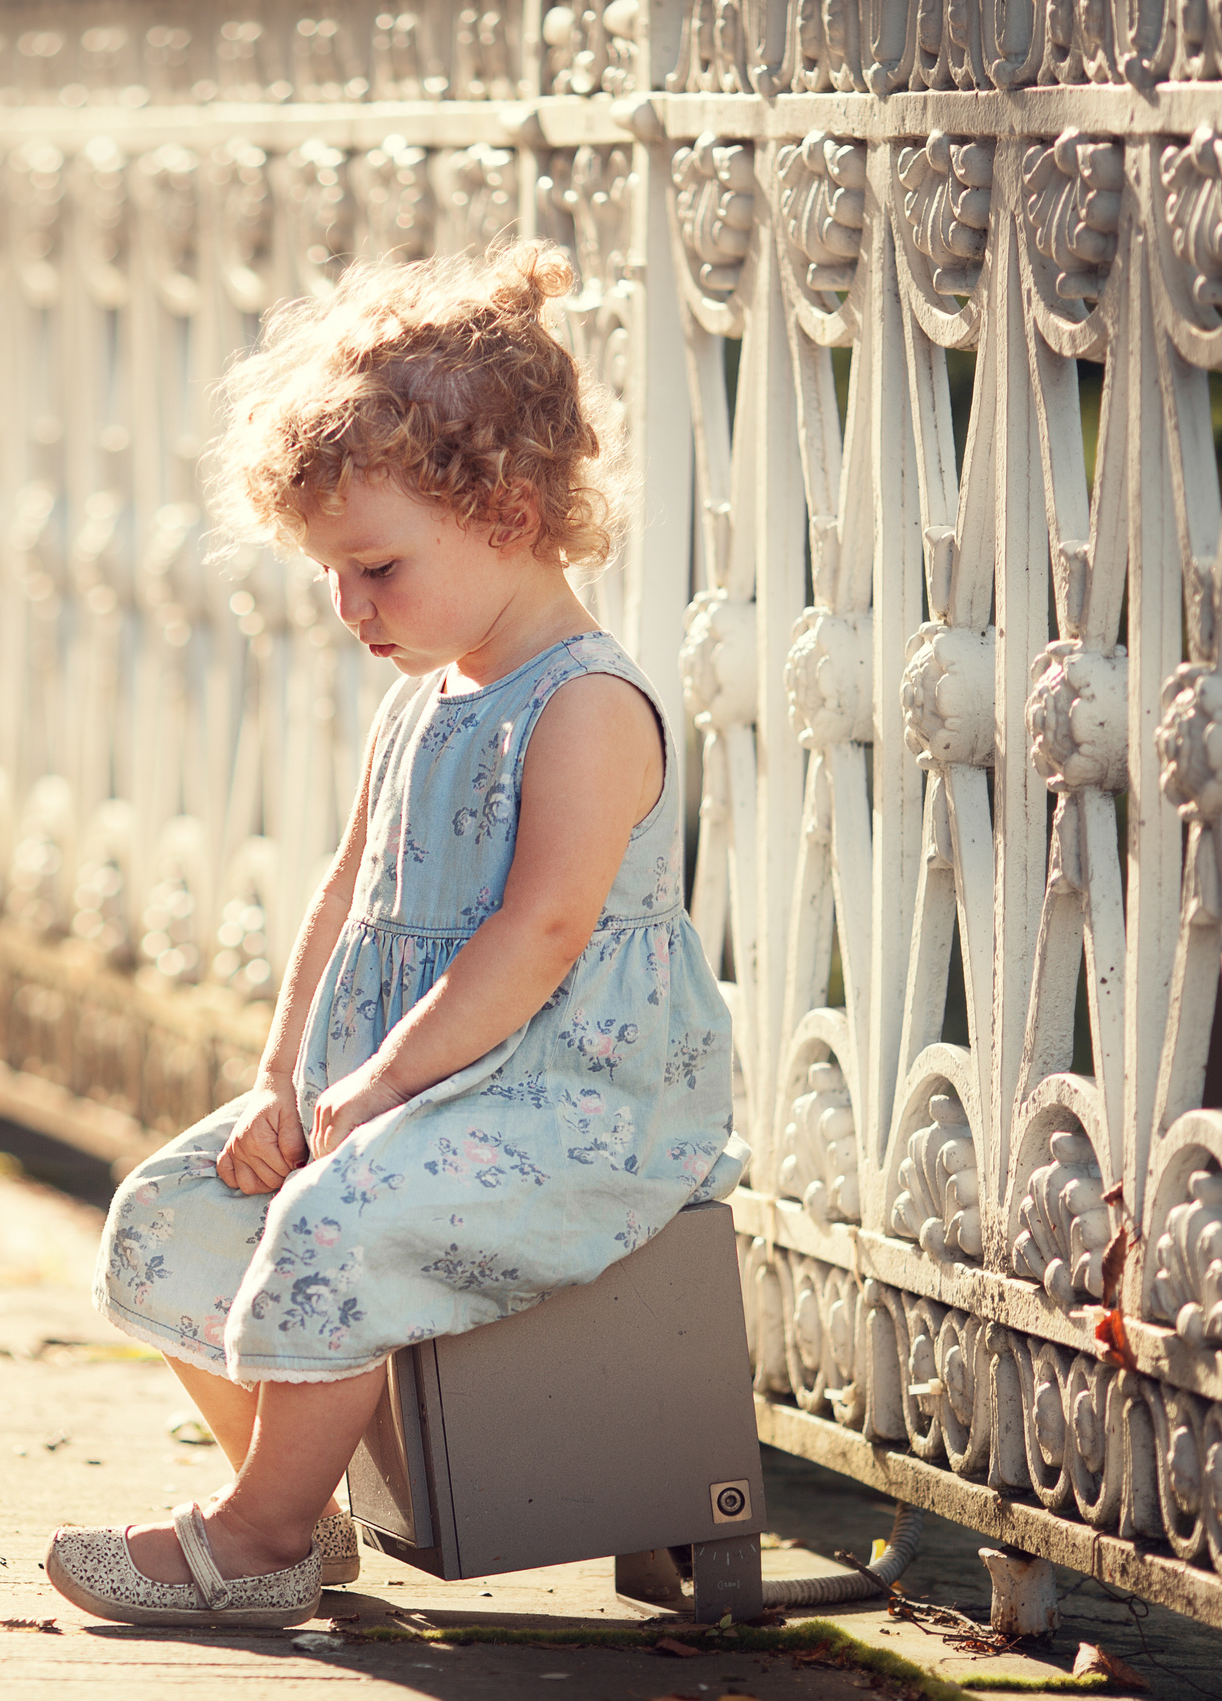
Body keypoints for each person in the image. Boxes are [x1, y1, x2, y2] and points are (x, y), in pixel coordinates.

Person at [43, 241, 743, 1628]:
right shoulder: (427, 697)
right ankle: (298, 1512)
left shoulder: (586, 705)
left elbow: (544, 932)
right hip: (405, 1086)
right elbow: (342, 898)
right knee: (173, 1213)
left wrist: (382, 1089)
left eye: (375, 567)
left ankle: (252, 1537)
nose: (348, 607)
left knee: (334, 1215)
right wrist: (280, 1078)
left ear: (510, 510)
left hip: (571, 1102)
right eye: (333, 574)